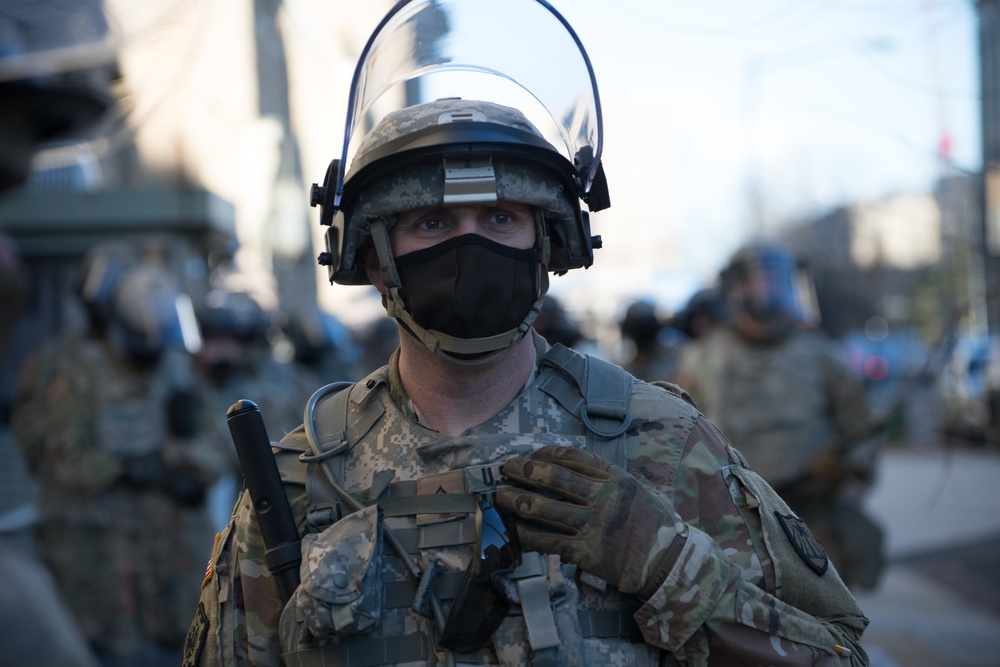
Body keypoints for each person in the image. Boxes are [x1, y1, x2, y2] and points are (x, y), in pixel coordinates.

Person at [184, 1, 869, 665]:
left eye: (501, 218)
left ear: (549, 246)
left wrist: (669, 565)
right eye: (431, 222)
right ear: (372, 256)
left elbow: (841, 654)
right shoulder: (302, 482)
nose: (470, 245)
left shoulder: (662, 446)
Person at [12, 245, 233, 666]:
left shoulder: (175, 366)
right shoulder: (70, 367)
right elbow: (55, 455)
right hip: (103, 561)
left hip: (174, 556)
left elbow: (220, 445)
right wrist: (126, 469)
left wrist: (185, 463)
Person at [674, 240, 884, 591]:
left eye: (775, 279)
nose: (766, 289)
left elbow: (860, 430)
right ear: (736, 288)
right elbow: (675, 441)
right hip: (732, 530)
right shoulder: (702, 359)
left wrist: (844, 471)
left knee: (825, 632)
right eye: (756, 280)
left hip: (812, 525)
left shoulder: (820, 355)